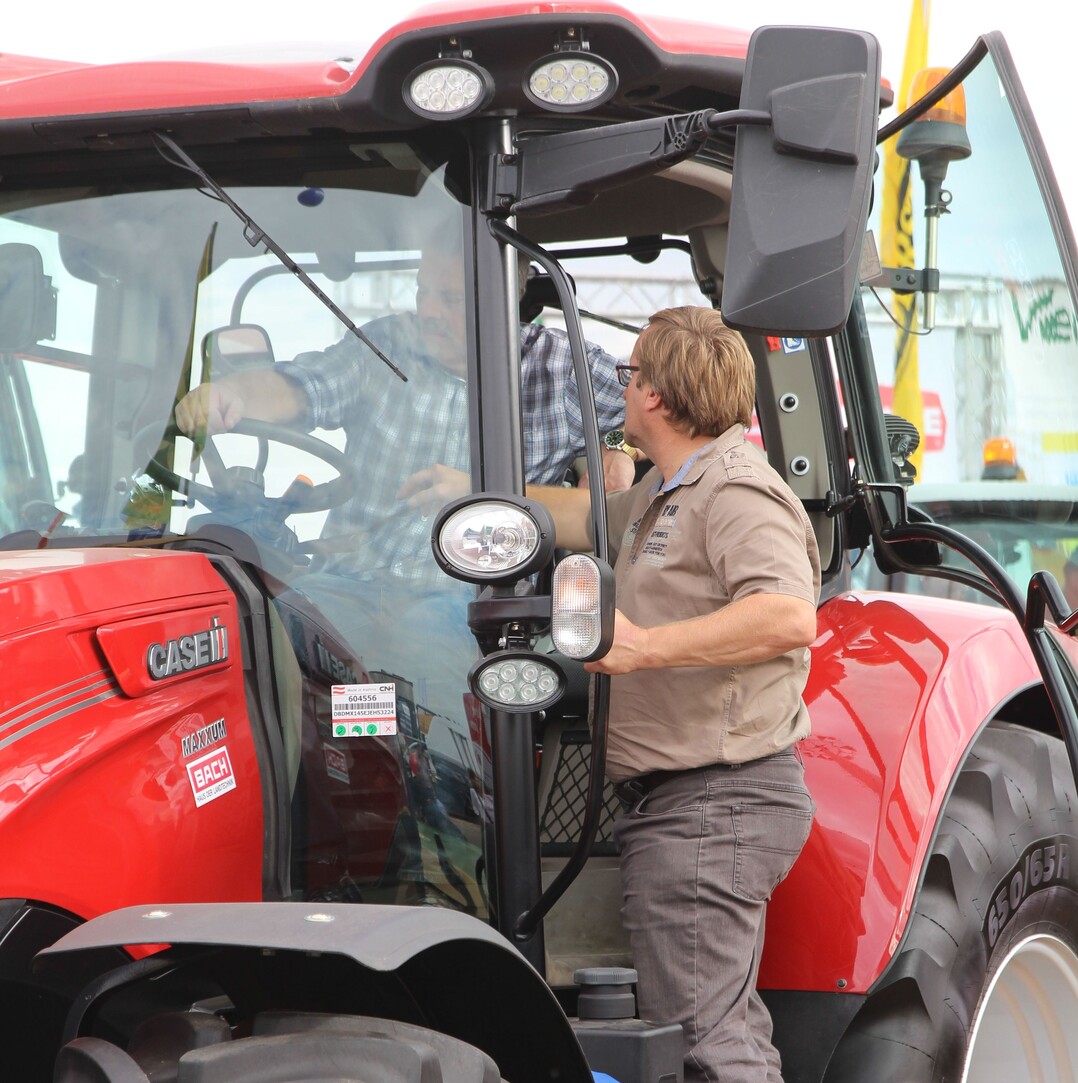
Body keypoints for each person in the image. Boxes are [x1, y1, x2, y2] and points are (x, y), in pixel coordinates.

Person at [530, 306, 820, 1083]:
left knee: (706, 1046)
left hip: (712, 802)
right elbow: (580, 515)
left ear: (654, 394)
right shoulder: (670, 490)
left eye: (629, 377)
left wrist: (646, 646)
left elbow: (789, 613)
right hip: (686, 804)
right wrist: (469, 492)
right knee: (715, 1031)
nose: (623, 392)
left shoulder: (732, 490)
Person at [174, 243, 632, 715]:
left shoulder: (558, 366)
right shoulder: (388, 345)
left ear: (502, 301)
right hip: (350, 580)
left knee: (424, 675)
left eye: (451, 299)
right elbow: (302, 385)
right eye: (424, 292)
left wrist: (616, 447)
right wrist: (231, 394)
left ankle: (448, 787)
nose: (429, 311)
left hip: (471, 602)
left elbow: (661, 408)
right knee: (261, 647)